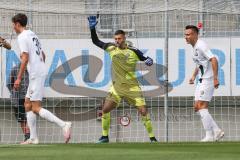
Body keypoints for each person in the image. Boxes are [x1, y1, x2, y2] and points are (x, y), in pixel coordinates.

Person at [88, 15, 157, 143]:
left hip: (132, 87)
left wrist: (149, 60)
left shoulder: (133, 51)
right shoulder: (111, 48)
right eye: (115, 39)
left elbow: (146, 59)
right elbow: (96, 41)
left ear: (124, 38)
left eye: (119, 38)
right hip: (116, 87)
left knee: (143, 111)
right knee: (105, 109)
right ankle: (104, 136)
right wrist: (92, 28)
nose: (117, 41)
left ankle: (152, 138)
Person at [12, 13, 72, 144]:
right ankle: (33, 138)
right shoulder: (32, 34)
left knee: (35, 107)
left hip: (36, 74)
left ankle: (64, 124)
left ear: (17, 24)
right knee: (27, 104)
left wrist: (19, 78)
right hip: (38, 71)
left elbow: (25, 58)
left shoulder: (22, 37)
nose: (13, 28)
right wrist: (39, 67)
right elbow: (43, 55)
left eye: (13, 25)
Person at [184, 25, 224, 142]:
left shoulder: (201, 45)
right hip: (201, 80)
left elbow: (213, 59)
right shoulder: (195, 47)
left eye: (188, 34)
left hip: (208, 79)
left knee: (202, 106)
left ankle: (214, 132)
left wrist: (215, 78)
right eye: (185, 35)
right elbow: (200, 63)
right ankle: (212, 134)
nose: (186, 37)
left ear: (196, 35)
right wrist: (193, 76)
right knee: (197, 107)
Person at [7, 63, 30, 142]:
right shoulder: (15, 69)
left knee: (30, 117)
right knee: (22, 119)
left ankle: (30, 136)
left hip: (30, 98)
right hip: (19, 98)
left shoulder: (32, 68)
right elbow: (9, 83)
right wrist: (14, 93)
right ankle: (27, 137)